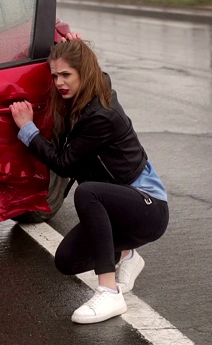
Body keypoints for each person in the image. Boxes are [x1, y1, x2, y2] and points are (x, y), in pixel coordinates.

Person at [9, 34, 169, 324]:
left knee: (88, 193)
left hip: (149, 209)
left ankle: (109, 292)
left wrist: (28, 130)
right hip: (121, 205)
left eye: (67, 74)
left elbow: (65, 163)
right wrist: (75, 46)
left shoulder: (100, 115)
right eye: (55, 75)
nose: (59, 82)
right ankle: (126, 256)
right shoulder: (91, 92)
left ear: (85, 72)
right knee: (66, 261)